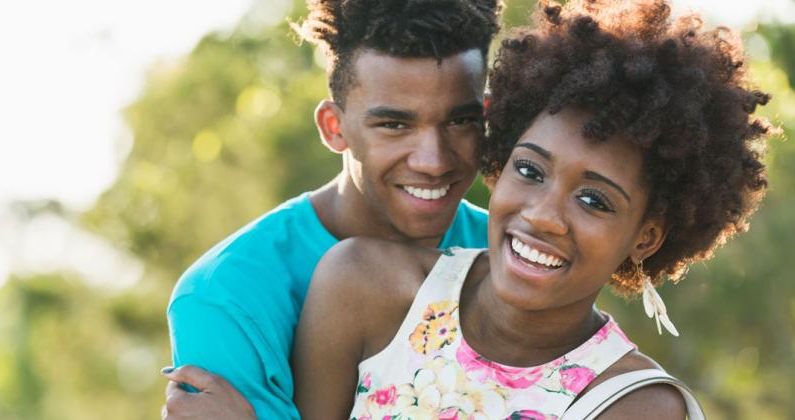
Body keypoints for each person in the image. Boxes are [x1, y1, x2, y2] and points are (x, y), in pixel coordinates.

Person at [292, 0, 773, 418]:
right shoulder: (360, 286)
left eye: (593, 200)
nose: (543, 215)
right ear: (499, 160)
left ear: (645, 236)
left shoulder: (633, 406)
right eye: (530, 171)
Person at [161, 1, 503, 418]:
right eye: (394, 125)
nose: (433, 161)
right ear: (334, 128)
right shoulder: (227, 295)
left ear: (486, 117)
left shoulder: (512, 260)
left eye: (459, 121)